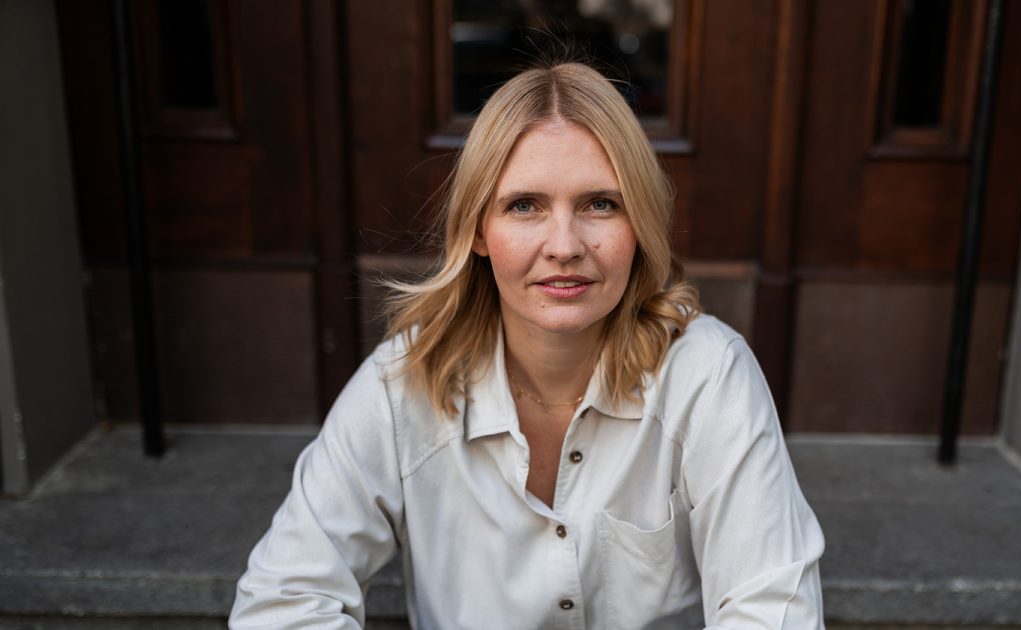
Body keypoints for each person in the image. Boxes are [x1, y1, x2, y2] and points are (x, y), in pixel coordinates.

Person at [230, 62, 824, 629]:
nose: (564, 245)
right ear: (478, 230)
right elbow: (284, 601)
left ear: (639, 224)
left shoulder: (706, 373)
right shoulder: (405, 381)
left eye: (600, 204)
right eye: (524, 206)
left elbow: (773, 609)